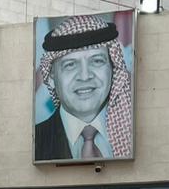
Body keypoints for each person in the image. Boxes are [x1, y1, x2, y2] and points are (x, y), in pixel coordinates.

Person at [34, 14, 133, 163]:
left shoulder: (136, 135)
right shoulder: (35, 142)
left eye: (97, 61)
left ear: (113, 68)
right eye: (70, 64)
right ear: (51, 77)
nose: (85, 76)